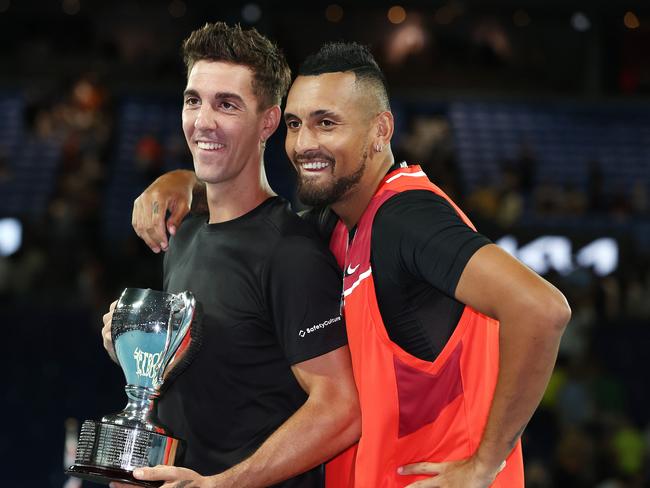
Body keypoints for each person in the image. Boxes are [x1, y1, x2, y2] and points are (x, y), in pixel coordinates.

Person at [131, 42, 571, 488]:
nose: (305, 144)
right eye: (296, 124)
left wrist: (484, 463)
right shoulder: (339, 220)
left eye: (327, 124)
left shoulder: (407, 217)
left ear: (381, 130)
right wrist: (182, 180)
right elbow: (250, 217)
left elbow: (542, 309)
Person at [102, 24, 360, 488]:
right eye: (193, 99)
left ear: (268, 121)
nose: (203, 121)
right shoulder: (182, 232)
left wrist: (225, 483)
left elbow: (342, 407)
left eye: (227, 104)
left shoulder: (291, 253)